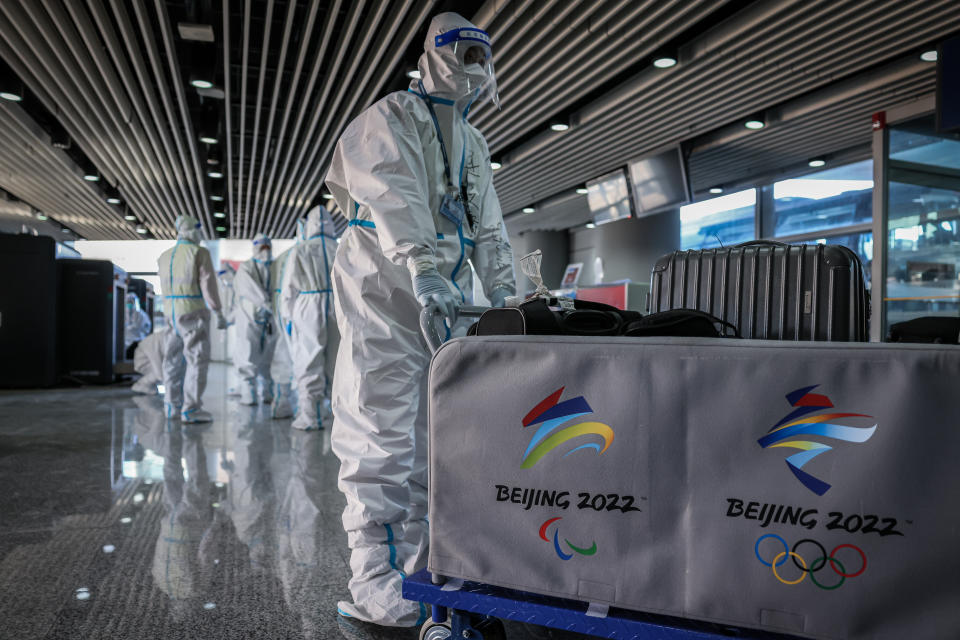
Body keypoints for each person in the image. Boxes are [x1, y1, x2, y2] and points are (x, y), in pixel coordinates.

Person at [325, 12, 515, 628]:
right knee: (383, 432)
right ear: (435, 55)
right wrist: (422, 271)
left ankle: (429, 568)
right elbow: (392, 197)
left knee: (443, 437)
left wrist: (511, 299)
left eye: (483, 58)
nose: (476, 71)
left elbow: (488, 228)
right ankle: (378, 585)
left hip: (446, 299)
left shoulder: (474, 140)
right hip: (383, 292)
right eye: (465, 56)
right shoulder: (387, 120)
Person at [157, 215, 226, 422]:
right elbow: (209, 286)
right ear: (192, 230)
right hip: (193, 313)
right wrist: (218, 311)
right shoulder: (199, 252)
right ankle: (191, 409)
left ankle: (171, 406)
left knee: (171, 361)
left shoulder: (164, 256)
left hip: (170, 315)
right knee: (196, 361)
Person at [280, 205, 339, 431]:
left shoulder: (301, 249)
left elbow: (289, 288)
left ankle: (310, 417)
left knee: (308, 360)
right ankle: (339, 416)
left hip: (307, 307)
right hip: (336, 306)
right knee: (337, 363)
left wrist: (288, 317)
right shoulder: (340, 248)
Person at [233, 234, 278, 406]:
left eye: (267, 248)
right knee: (247, 353)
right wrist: (266, 303)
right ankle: (248, 393)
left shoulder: (275, 266)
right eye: (262, 248)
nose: (265, 251)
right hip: (249, 318)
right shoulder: (247, 267)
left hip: (270, 319)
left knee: (269, 354)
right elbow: (250, 289)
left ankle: (267, 392)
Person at [269, 235, 298, 420]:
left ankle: (286, 402)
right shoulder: (292, 255)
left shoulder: (289, 255)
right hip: (292, 313)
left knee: (287, 356)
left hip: (291, 312)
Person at [124, 292, 152, 357]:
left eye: (131, 302)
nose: (129, 304)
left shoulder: (142, 315)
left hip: (138, 343)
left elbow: (143, 328)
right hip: (126, 344)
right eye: (128, 302)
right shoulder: (123, 313)